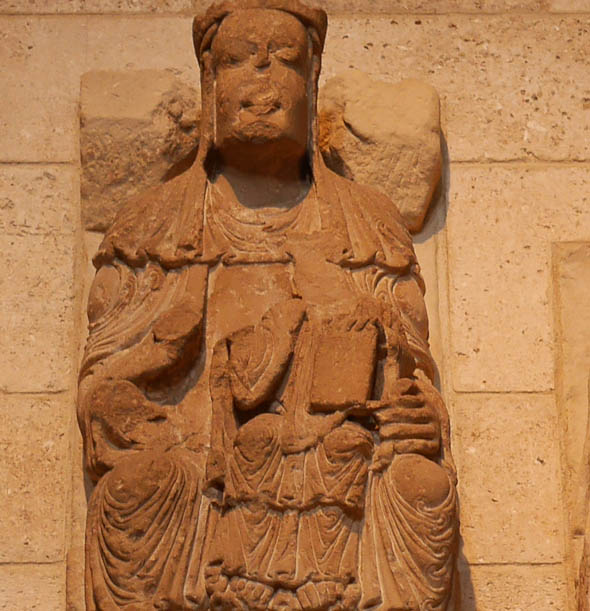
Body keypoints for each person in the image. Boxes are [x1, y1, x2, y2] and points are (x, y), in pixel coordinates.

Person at [78, 1, 458, 609]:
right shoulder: (152, 224)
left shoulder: (369, 224)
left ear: (312, 79)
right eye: (238, 61)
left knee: (423, 489)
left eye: (284, 61)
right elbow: (102, 383)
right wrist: (144, 395)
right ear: (209, 83)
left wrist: (419, 415)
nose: (263, 82)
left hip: (338, 456)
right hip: (198, 462)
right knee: (133, 491)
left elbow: (413, 373)